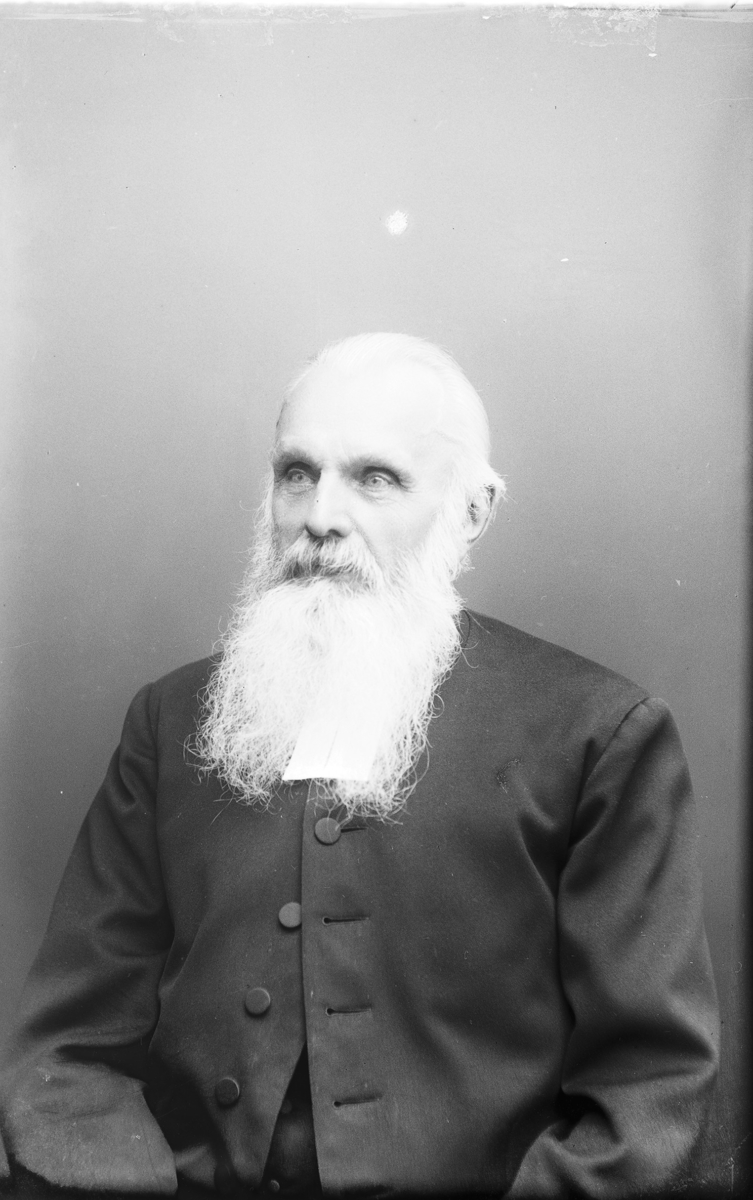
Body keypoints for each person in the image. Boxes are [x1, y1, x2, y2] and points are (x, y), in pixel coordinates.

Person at [0, 333, 719, 1199]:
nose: (319, 517)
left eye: (375, 478)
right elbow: (69, 1054)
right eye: (296, 473)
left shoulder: (599, 734)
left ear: (472, 510)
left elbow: (646, 1093)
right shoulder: (170, 720)